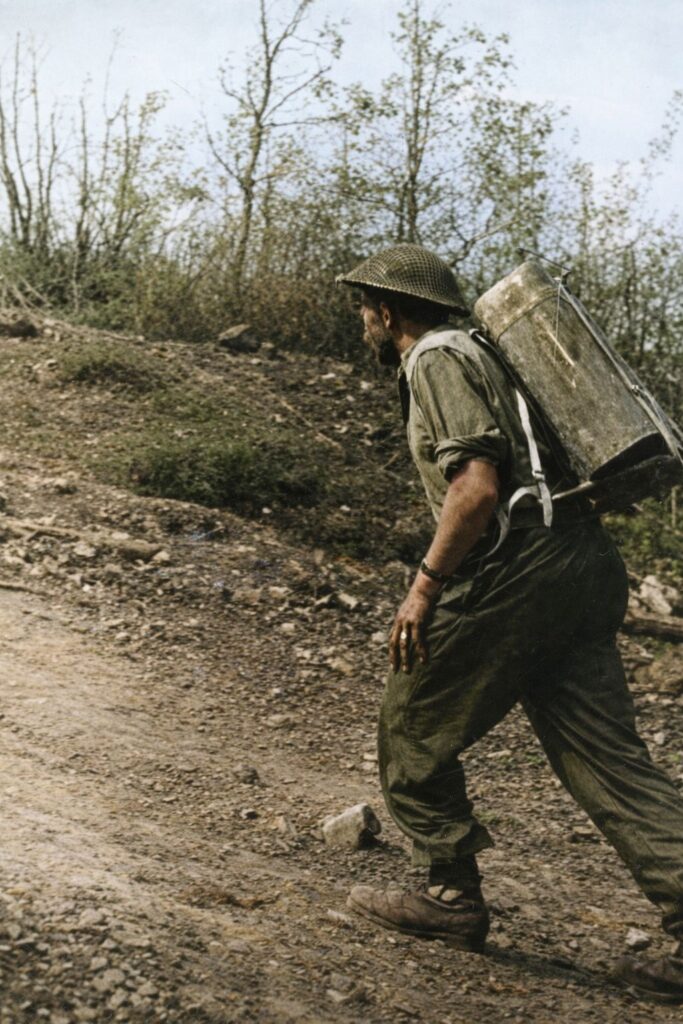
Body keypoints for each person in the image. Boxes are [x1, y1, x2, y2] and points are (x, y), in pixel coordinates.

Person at [336, 243, 683, 1003]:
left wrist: (423, 587)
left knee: (411, 727)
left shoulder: (432, 358)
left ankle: (449, 896)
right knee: (610, 762)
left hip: (519, 570)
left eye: (365, 304)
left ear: (388, 309)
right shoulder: (485, 353)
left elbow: (476, 490)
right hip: (580, 562)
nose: (361, 318)